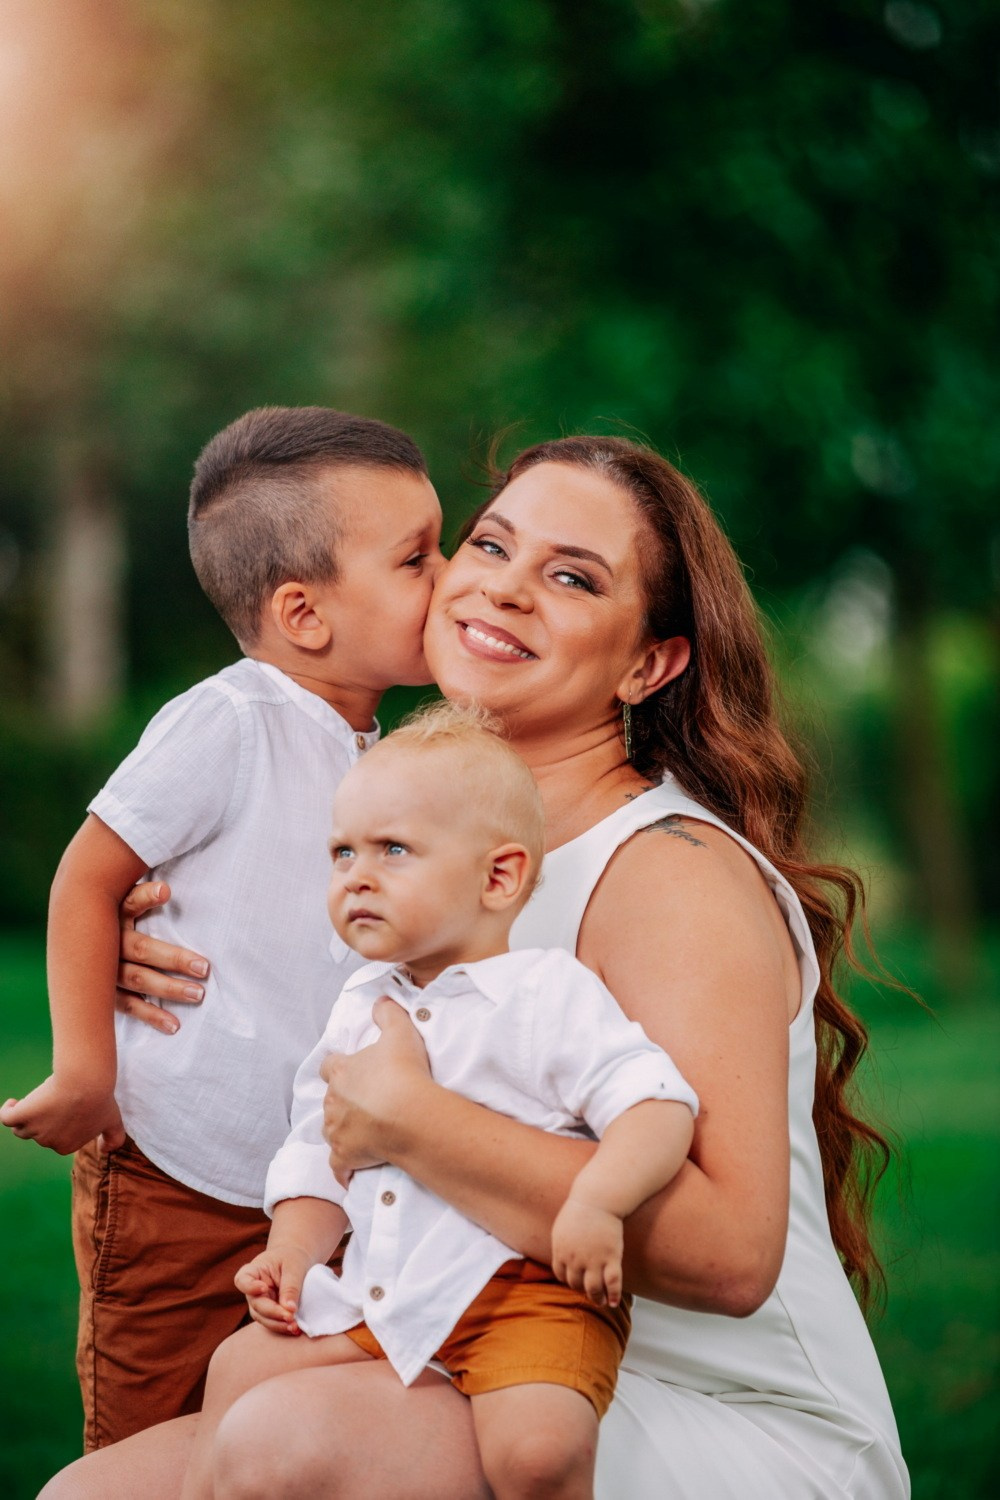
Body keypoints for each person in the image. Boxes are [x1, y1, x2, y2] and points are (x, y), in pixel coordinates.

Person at [40, 434, 909, 1499]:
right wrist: (158, 939)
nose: (503, 587)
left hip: (702, 1404)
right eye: (490, 545)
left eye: (573, 577)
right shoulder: (411, 823)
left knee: (284, 1441)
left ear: (648, 666)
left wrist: (417, 1123)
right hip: (453, 1335)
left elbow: (731, 1256)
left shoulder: (667, 873)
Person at [0, 406, 445, 1449]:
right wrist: (86, 1071)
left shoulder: (380, 753)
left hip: (307, 1189)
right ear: (304, 612)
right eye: (416, 557)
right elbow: (87, 879)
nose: (450, 574)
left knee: (266, 1430)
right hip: (177, 1175)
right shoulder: (232, 720)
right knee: (146, 1430)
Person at [180, 703, 698, 1500]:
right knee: (238, 1363)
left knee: (537, 1451)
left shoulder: (544, 992)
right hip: (389, 1288)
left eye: (393, 850)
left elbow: (657, 1106)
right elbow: (319, 1149)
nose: (357, 875)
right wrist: (292, 1251)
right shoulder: (361, 1004)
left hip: (528, 1298)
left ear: (498, 877)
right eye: (342, 851)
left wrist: (598, 1200)